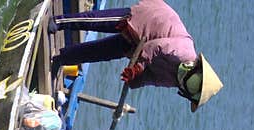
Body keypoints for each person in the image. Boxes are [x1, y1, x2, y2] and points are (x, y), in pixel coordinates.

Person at [48, 0, 223, 112]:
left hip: (138, 47)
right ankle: (59, 21)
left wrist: (134, 80)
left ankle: (61, 59)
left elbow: (151, 77)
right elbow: (155, 47)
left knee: (100, 52)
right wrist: (138, 66)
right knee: (98, 21)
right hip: (146, 20)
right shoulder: (184, 52)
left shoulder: (175, 80)